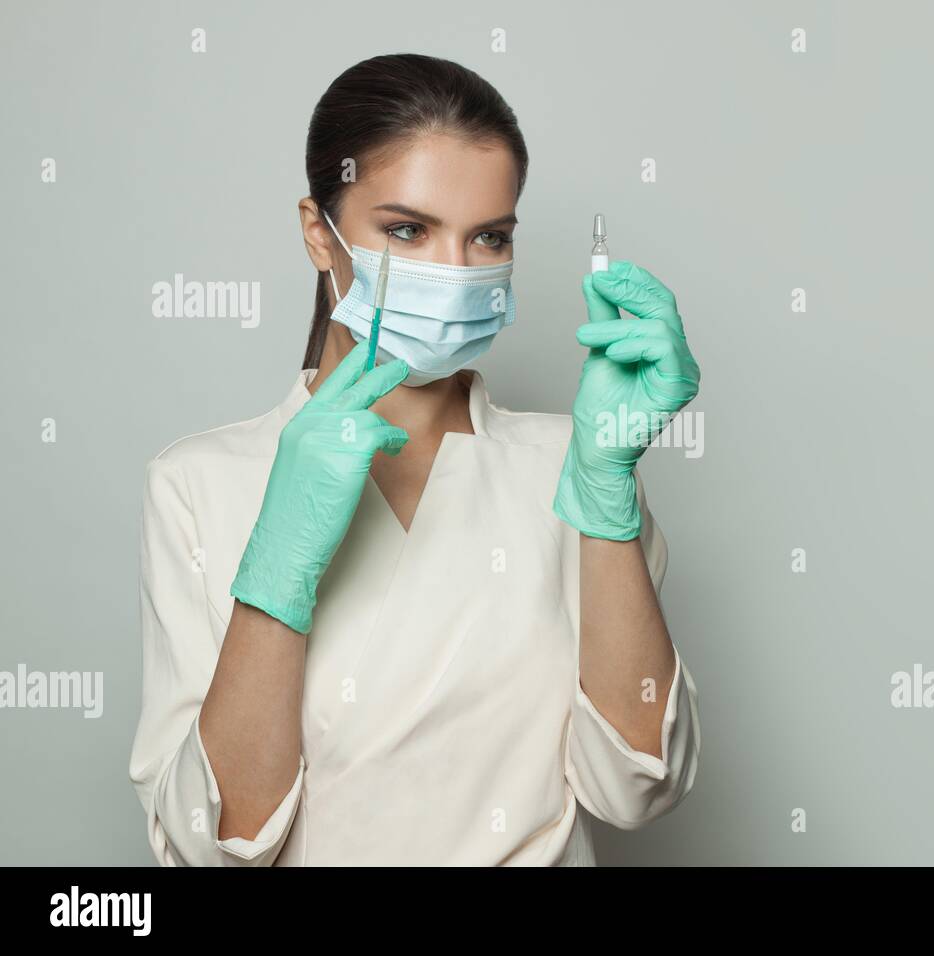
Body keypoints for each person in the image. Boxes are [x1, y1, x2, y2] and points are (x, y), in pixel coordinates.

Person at [128, 53, 702, 866]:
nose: (454, 272)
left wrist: (604, 488)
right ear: (316, 233)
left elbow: (638, 785)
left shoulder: (569, 468)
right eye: (407, 230)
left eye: (489, 238)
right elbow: (222, 842)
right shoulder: (198, 484)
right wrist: (278, 569)